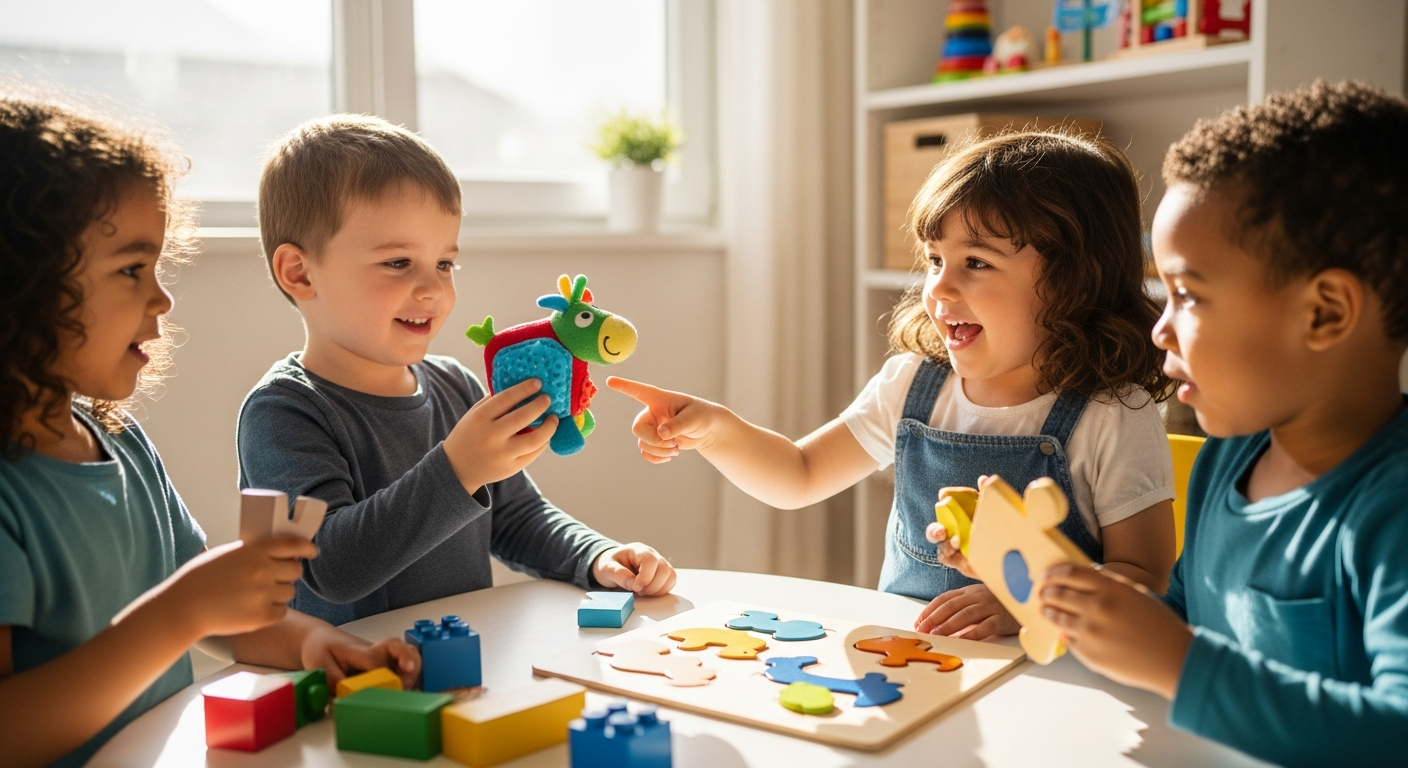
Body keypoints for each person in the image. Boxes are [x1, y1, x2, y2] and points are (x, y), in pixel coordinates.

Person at [612, 129, 1175, 637]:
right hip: (915, 664)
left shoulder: (1112, 412)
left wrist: (1027, 602)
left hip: (1052, 680)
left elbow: (1145, 579)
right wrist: (716, 430)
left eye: (975, 262)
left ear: (1074, 281)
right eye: (934, 260)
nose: (939, 289)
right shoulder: (913, 385)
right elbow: (799, 475)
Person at [0, 95, 417, 768]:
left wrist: (312, 646)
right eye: (133, 269)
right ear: (21, 284)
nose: (163, 298)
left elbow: (218, 611)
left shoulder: (123, 445)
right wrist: (179, 616)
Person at [1038, 80, 1408, 766]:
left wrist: (1181, 666)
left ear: (1325, 313)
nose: (1159, 330)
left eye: (1187, 296)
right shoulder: (1226, 460)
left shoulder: (1391, 511)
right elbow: (1180, 617)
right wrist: (1062, 588)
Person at [238, 115, 675, 625]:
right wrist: (458, 470)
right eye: (399, 262)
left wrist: (595, 557)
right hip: (350, 691)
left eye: (444, 264)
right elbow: (330, 567)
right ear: (300, 272)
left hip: (459, 669)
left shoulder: (455, 386)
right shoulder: (282, 412)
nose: (433, 289)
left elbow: (514, 517)